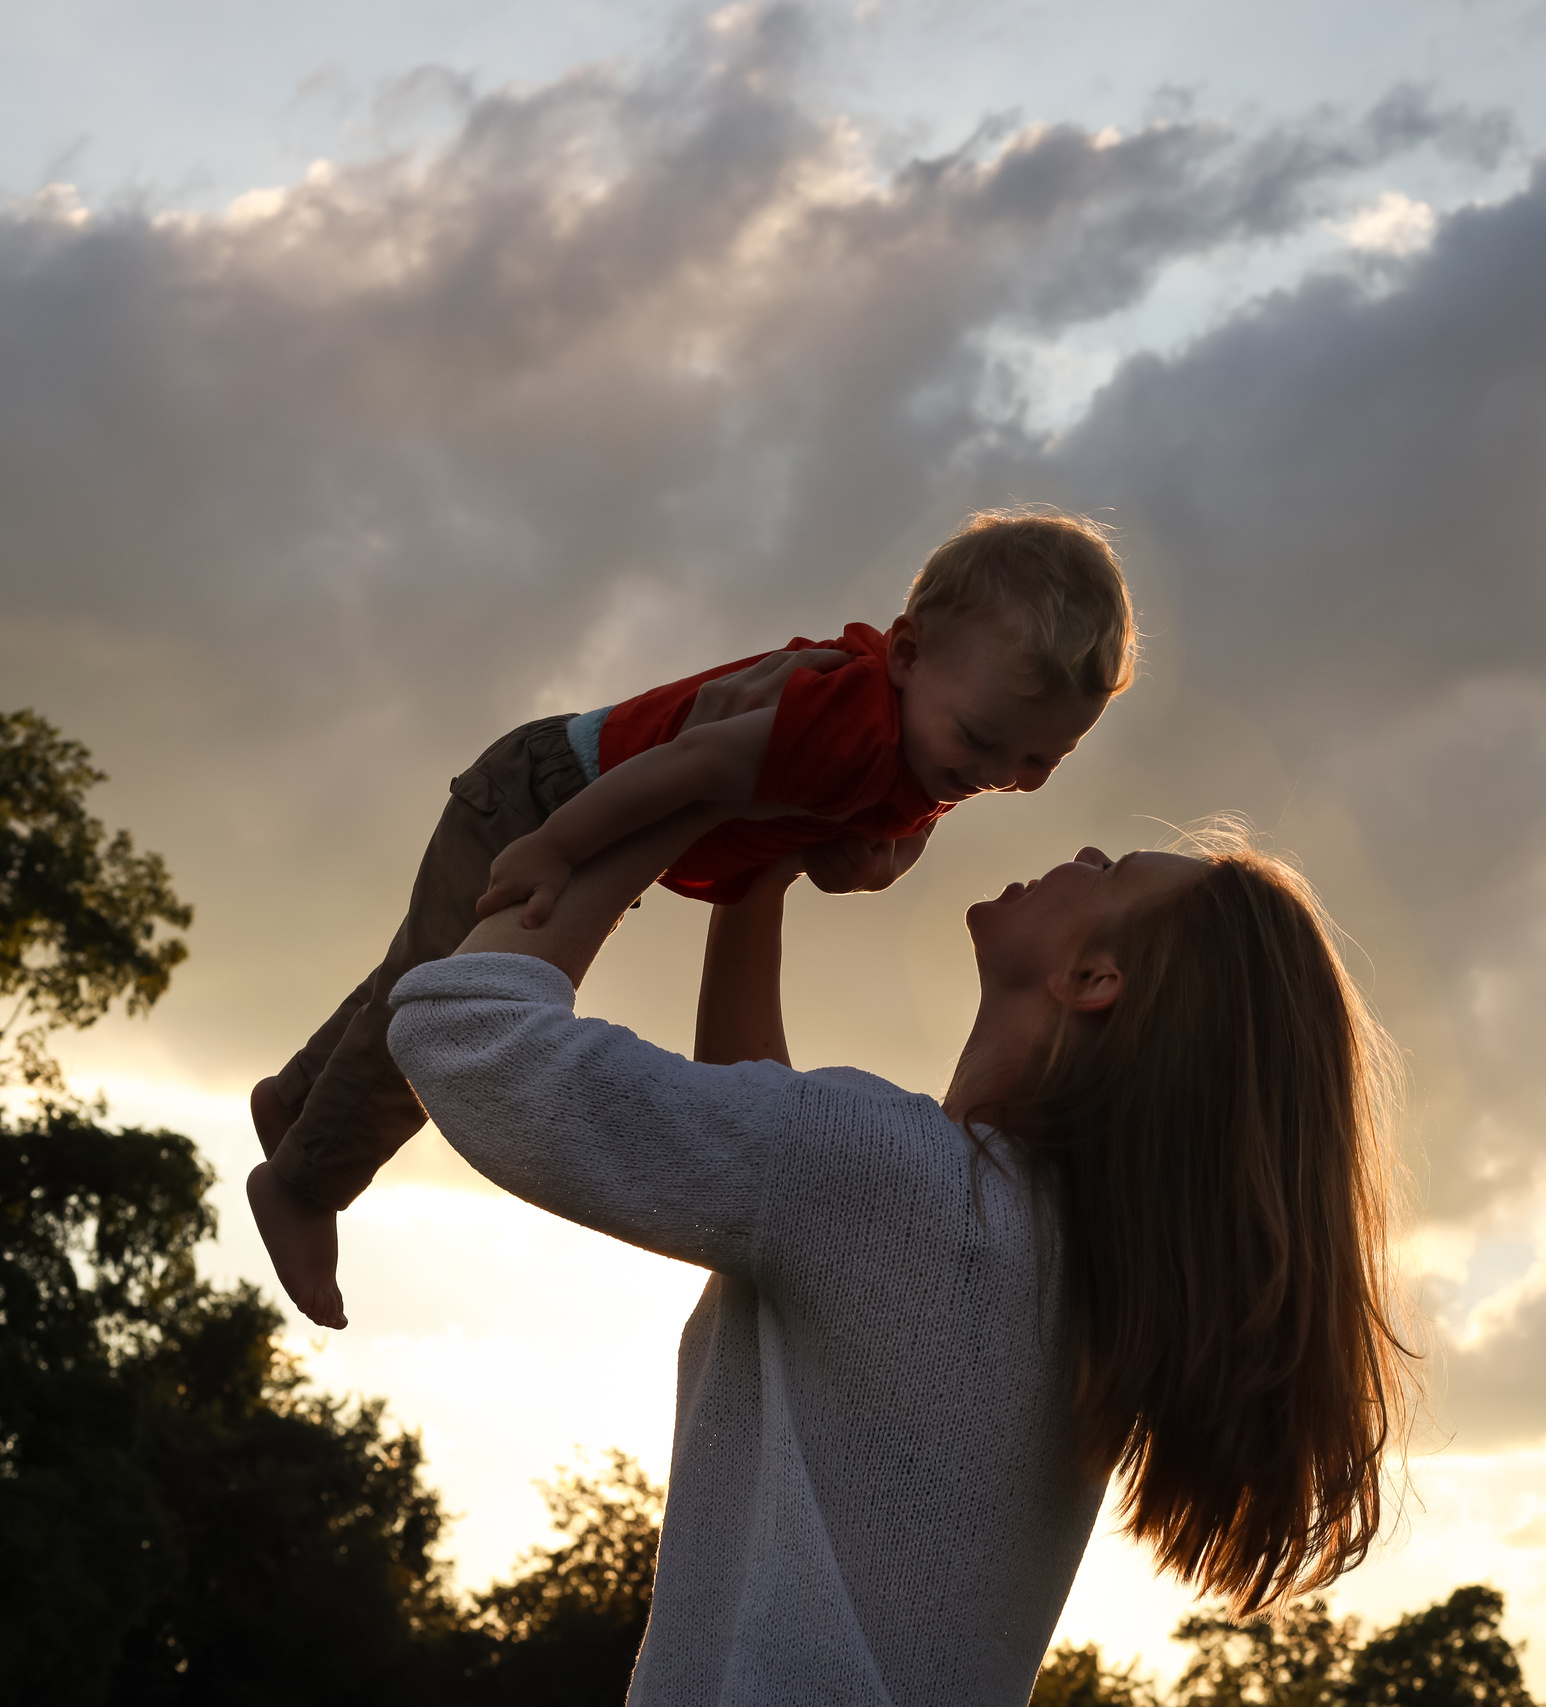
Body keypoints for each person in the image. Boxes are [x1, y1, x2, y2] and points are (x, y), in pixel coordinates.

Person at [381, 806, 1414, 1703]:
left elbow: (471, 1035)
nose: (1090, 850)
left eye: (1115, 874)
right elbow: (768, 1169)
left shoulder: (895, 1183)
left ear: (1093, 977)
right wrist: (759, 869)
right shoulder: (1061, 1263)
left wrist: (656, 806)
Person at [247, 508, 1136, 1328]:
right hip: (551, 797)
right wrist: (558, 844)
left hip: (583, 811)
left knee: (418, 967)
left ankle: (296, 1098)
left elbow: (883, 824)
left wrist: (879, 857)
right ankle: (307, 1185)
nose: (1004, 774)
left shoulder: (933, 737)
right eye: (986, 743)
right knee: (441, 998)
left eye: (1040, 760)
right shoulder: (855, 723)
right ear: (906, 657)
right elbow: (697, 762)